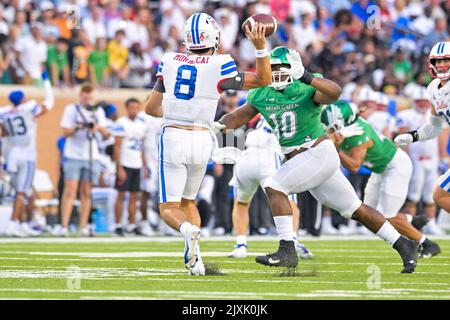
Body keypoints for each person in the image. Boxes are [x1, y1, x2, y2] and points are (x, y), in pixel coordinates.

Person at [214, 46, 419, 273]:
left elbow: (334, 93)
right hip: (306, 161)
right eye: (272, 69)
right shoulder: (260, 92)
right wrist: (218, 125)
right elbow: (238, 116)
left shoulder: (306, 86)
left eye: (282, 68)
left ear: (294, 68)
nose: (277, 73)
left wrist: (306, 77)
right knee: (355, 209)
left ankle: (287, 250)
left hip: (317, 151)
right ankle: (405, 245)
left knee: (274, 186)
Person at [145, 12, 271, 276]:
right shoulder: (220, 64)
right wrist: (260, 47)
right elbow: (263, 80)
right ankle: (197, 261)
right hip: (203, 138)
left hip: (174, 136)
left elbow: (151, 108)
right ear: (214, 36)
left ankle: (187, 231)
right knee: (189, 202)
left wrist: (177, 110)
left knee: (169, 208)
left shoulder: (168, 60)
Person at [321, 100, 441, 258]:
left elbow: (354, 166)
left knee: (386, 219)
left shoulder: (358, 135)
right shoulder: (351, 125)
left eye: (332, 127)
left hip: (395, 166)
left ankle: (427, 244)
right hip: (380, 169)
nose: (329, 131)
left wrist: (335, 148)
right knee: (369, 215)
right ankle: (412, 220)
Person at [228, 117, 313, 259]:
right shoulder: (296, 110)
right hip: (269, 157)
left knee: (241, 203)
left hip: (245, 156)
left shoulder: (262, 111)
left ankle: (240, 245)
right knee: (289, 203)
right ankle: (292, 241)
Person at [395, 41, 450, 221]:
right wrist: (413, 136)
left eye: (446, 60)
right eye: (437, 61)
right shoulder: (434, 89)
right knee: (440, 195)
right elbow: (434, 127)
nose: (441, 65)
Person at [0, 71, 54, 237]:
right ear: (22, 99)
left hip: (12, 154)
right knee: (22, 193)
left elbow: (4, 133)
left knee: (21, 192)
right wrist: (47, 83)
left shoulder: (5, 112)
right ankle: (14, 223)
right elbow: (49, 104)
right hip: (27, 154)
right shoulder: (28, 108)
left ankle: (22, 222)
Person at [58, 84, 110, 236]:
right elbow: (65, 132)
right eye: (85, 97)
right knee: (70, 190)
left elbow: (106, 134)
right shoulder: (71, 109)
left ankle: (83, 226)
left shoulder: (98, 111)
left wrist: (97, 128)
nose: (87, 100)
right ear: (80, 96)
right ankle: (64, 225)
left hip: (91, 155)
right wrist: (78, 127)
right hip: (73, 154)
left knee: (87, 192)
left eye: (90, 97)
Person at [396, 86, 445, 235]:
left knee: (430, 193)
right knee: (414, 193)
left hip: (433, 159)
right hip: (415, 159)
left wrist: (444, 156)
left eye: (425, 101)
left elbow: (443, 136)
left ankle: (431, 223)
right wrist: (404, 159)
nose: (423, 104)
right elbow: (402, 136)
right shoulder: (406, 115)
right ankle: (413, 223)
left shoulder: (438, 113)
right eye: (419, 101)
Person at [113, 98, 147, 236]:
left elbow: (142, 147)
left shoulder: (142, 124)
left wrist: (144, 165)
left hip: (136, 164)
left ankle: (131, 225)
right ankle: (118, 225)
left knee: (134, 196)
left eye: (136, 108)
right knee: (121, 195)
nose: (133, 110)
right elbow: (117, 146)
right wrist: (118, 167)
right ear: (126, 108)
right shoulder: (121, 123)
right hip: (125, 163)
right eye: (131, 107)